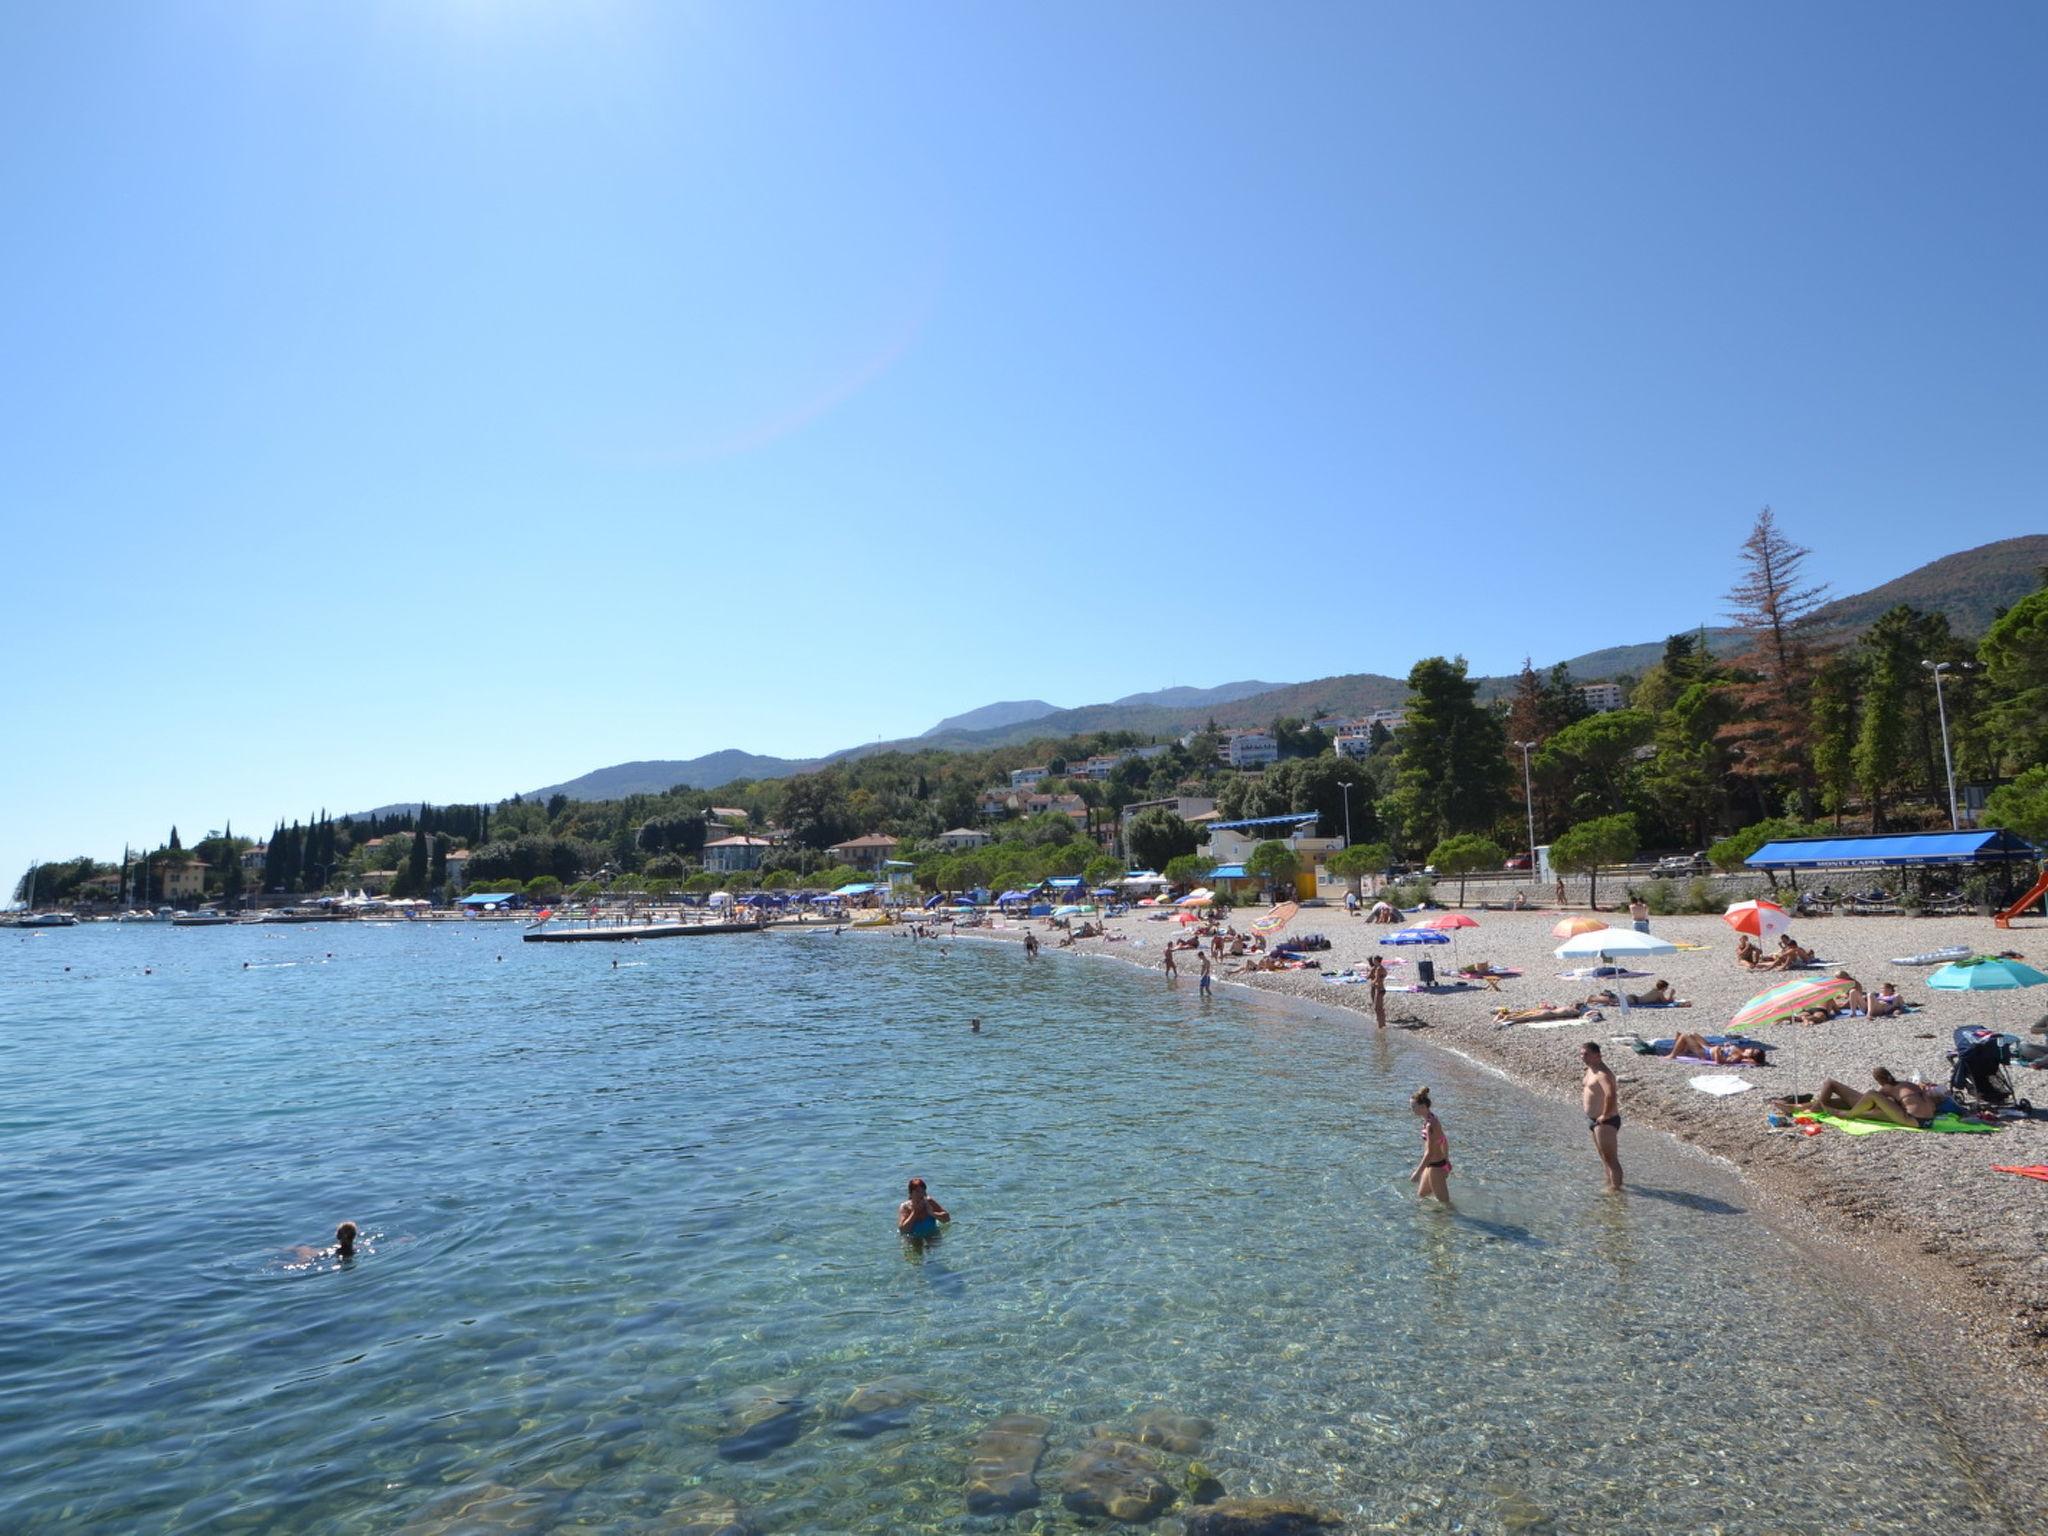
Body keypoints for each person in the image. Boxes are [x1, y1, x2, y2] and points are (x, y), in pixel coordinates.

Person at [1806, 1068, 1940, 1127]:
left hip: (1914, 1120)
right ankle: (1818, 1106)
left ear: (1879, 1080)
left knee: (1871, 1094)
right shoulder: (1907, 1084)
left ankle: (1847, 1115)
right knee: (1869, 1104)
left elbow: (1872, 1099)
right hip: (1929, 1120)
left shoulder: (1887, 1088)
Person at [1581, 1042, 1623, 1191]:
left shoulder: (1602, 1074)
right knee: (1603, 1157)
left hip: (1605, 1121)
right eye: (1581, 1054)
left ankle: (1616, 1192)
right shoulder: (1591, 1070)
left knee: (1611, 1159)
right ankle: (1610, 1183)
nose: (1582, 1057)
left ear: (1597, 1055)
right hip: (1594, 1120)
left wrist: (1605, 1114)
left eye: (1586, 1054)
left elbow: (1610, 1094)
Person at [1409, 1087, 1452, 1205]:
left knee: (1445, 1205)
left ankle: (1447, 1222)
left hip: (1436, 1167)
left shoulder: (1430, 1125)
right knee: (1422, 1196)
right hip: (1434, 1165)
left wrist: (1417, 1173)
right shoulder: (1432, 1118)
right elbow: (1444, 1140)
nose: (1412, 1110)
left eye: (1413, 1107)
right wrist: (1447, 1160)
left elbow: (1429, 1153)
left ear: (1423, 1106)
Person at [1667, 1031, 1766, 1065]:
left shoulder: (1737, 1058)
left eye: (1751, 1050)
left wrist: (1718, 1050)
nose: (1749, 1048)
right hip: (1710, 1048)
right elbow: (1727, 1051)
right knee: (1692, 1034)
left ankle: (1673, 1055)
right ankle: (1684, 1050)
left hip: (1706, 1053)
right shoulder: (1740, 1052)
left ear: (1750, 1055)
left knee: (1684, 1036)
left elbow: (1720, 1062)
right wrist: (1727, 1046)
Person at [1367, 955, 1388, 1029]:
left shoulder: (1379, 968)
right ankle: (1382, 1023)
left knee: (1377, 1008)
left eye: (1374, 960)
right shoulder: (1377, 968)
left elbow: (1377, 979)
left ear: (1376, 961)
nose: (1373, 961)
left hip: (1380, 989)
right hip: (1379, 989)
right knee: (1379, 1008)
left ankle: (1381, 1025)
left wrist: (1372, 982)